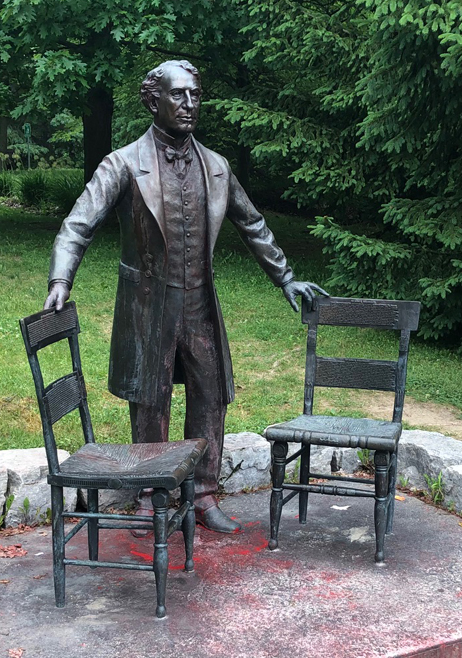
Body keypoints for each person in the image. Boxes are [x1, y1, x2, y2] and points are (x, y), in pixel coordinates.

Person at [44, 59, 326, 533]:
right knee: (150, 400)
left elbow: (253, 224)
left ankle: (204, 495)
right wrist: (60, 281)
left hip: (199, 303)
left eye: (195, 95)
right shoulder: (123, 164)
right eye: (179, 95)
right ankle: (149, 496)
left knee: (210, 395)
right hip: (147, 306)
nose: (190, 104)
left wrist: (286, 278)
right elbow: (78, 224)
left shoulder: (215, 166)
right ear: (153, 101)